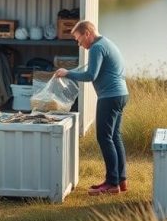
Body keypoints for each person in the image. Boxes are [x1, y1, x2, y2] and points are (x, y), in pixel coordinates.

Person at [53, 20, 129, 196]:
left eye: (79, 40)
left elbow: (90, 75)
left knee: (104, 138)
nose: (79, 44)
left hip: (110, 97)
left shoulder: (96, 47)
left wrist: (67, 73)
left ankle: (112, 183)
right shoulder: (106, 43)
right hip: (120, 94)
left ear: (87, 33)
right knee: (115, 137)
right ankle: (120, 179)